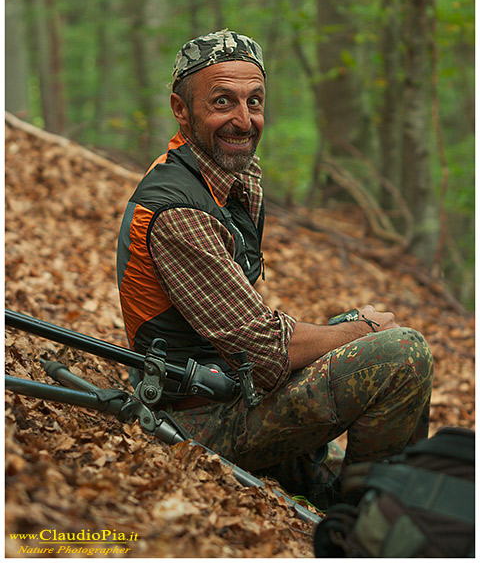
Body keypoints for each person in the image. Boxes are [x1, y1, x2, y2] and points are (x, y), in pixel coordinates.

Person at [117, 29, 434, 509]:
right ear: (181, 111)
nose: (243, 120)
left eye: (255, 101)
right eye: (222, 102)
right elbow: (265, 352)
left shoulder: (231, 179)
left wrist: (350, 330)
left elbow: (254, 325)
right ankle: (369, 521)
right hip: (198, 419)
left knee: (358, 333)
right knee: (401, 352)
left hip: (232, 388)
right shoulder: (179, 209)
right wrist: (362, 331)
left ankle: (364, 494)